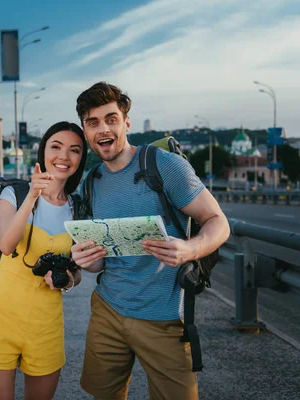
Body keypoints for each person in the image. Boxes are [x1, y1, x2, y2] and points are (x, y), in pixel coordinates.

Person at [71, 82, 230, 400]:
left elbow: (218, 223)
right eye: (93, 122)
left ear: (126, 122)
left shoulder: (164, 166)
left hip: (165, 317)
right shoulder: (91, 182)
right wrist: (87, 262)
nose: (103, 129)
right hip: (108, 310)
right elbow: (102, 258)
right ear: (86, 131)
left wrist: (189, 249)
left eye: (111, 118)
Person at [0, 121, 88, 400]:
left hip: (46, 324)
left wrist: (68, 280)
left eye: (74, 150)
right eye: (56, 147)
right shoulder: (14, 194)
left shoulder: (76, 208)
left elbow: (77, 271)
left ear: (81, 160)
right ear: (43, 152)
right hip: (1, 317)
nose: (63, 156)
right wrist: (33, 195)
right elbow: (7, 244)